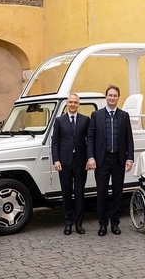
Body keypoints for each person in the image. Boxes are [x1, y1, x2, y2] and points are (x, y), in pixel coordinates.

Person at [86, 84, 134, 236]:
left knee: (118, 192)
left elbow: (129, 139)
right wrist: (91, 157)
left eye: (115, 96)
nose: (112, 98)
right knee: (101, 192)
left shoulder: (124, 116)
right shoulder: (96, 115)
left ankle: (115, 223)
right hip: (102, 160)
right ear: (106, 97)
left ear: (118, 98)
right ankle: (102, 224)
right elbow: (91, 138)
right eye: (110, 95)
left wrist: (130, 158)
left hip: (118, 160)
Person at [51, 93, 90, 235]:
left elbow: (89, 140)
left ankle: (79, 224)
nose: (73, 104)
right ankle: (68, 223)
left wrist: (89, 158)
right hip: (64, 162)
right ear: (67, 104)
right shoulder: (59, 121)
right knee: (66, 194)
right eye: (70, 102)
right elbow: (55, 142)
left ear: (78, 104)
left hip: (80, 162)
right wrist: (56, 160)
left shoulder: (85, 120)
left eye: (75, 102)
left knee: (80, 193)